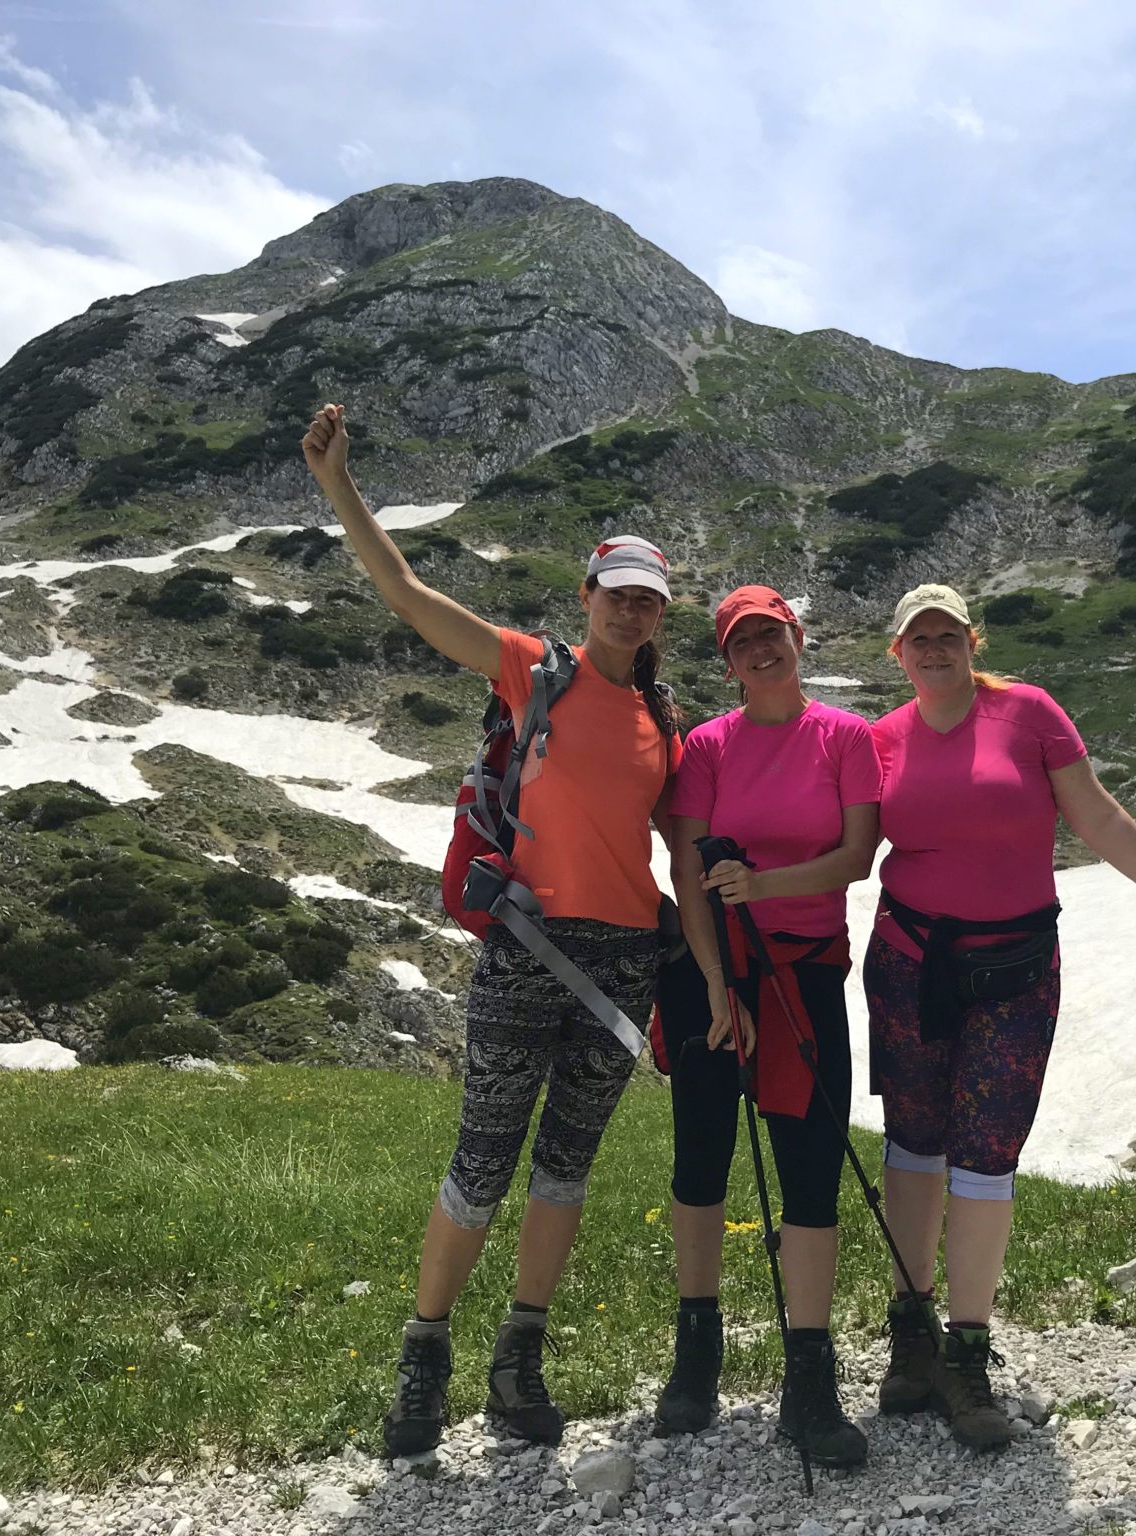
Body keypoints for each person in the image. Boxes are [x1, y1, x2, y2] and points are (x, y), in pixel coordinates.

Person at [300, 404, 684, 1452]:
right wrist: (339, 485)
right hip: (528, 949)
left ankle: (519, 1360)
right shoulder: (533, 669)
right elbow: (407, 595)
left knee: (564, 1169)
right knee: (483, 1156)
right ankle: (422, 1360)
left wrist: (716, 974)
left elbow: (680, 855)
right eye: (619, 597)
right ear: (587, 597)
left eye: (649, 603)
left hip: (622, 967)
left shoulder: (664, 724)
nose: (632, 614)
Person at [865, 583, 1136, 1452]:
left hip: (1016, 970)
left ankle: (966, 1351)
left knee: (986, 1153)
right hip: (908, 965)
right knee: (914, 1144)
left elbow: (1096, 812)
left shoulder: (1029, 713)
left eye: (948, 634)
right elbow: (846, 840)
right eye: (917, 638)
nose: (934, 649)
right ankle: (911, 1335)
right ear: (898, 652)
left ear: (972, 639)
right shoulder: (880, 739)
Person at [652, 586, 883, 1466]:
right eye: (742, 641)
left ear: (797, 638)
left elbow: (857, 858)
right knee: (702, 1154)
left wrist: (764, 887)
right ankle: (697, 1350)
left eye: (771, 635)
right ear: (727, 661)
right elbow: (687, 866)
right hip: (714, 971)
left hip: (806, 970)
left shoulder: (846, 737)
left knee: (812, 1164)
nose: (760, 651)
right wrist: (716, 987)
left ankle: (810, 1377)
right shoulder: (707, 747)